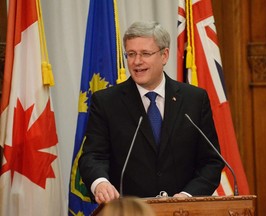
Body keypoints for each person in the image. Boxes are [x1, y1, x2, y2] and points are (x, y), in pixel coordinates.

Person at [79, 21, 224, 204]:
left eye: (145, 54)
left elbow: (211, 162)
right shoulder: (107, 102)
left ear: (164, 55)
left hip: (182, 212)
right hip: (128, 211)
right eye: (131, 54)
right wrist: (100, 183)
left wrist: (187, 196)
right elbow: (93, 156)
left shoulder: (194, 100)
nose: (137, 61)